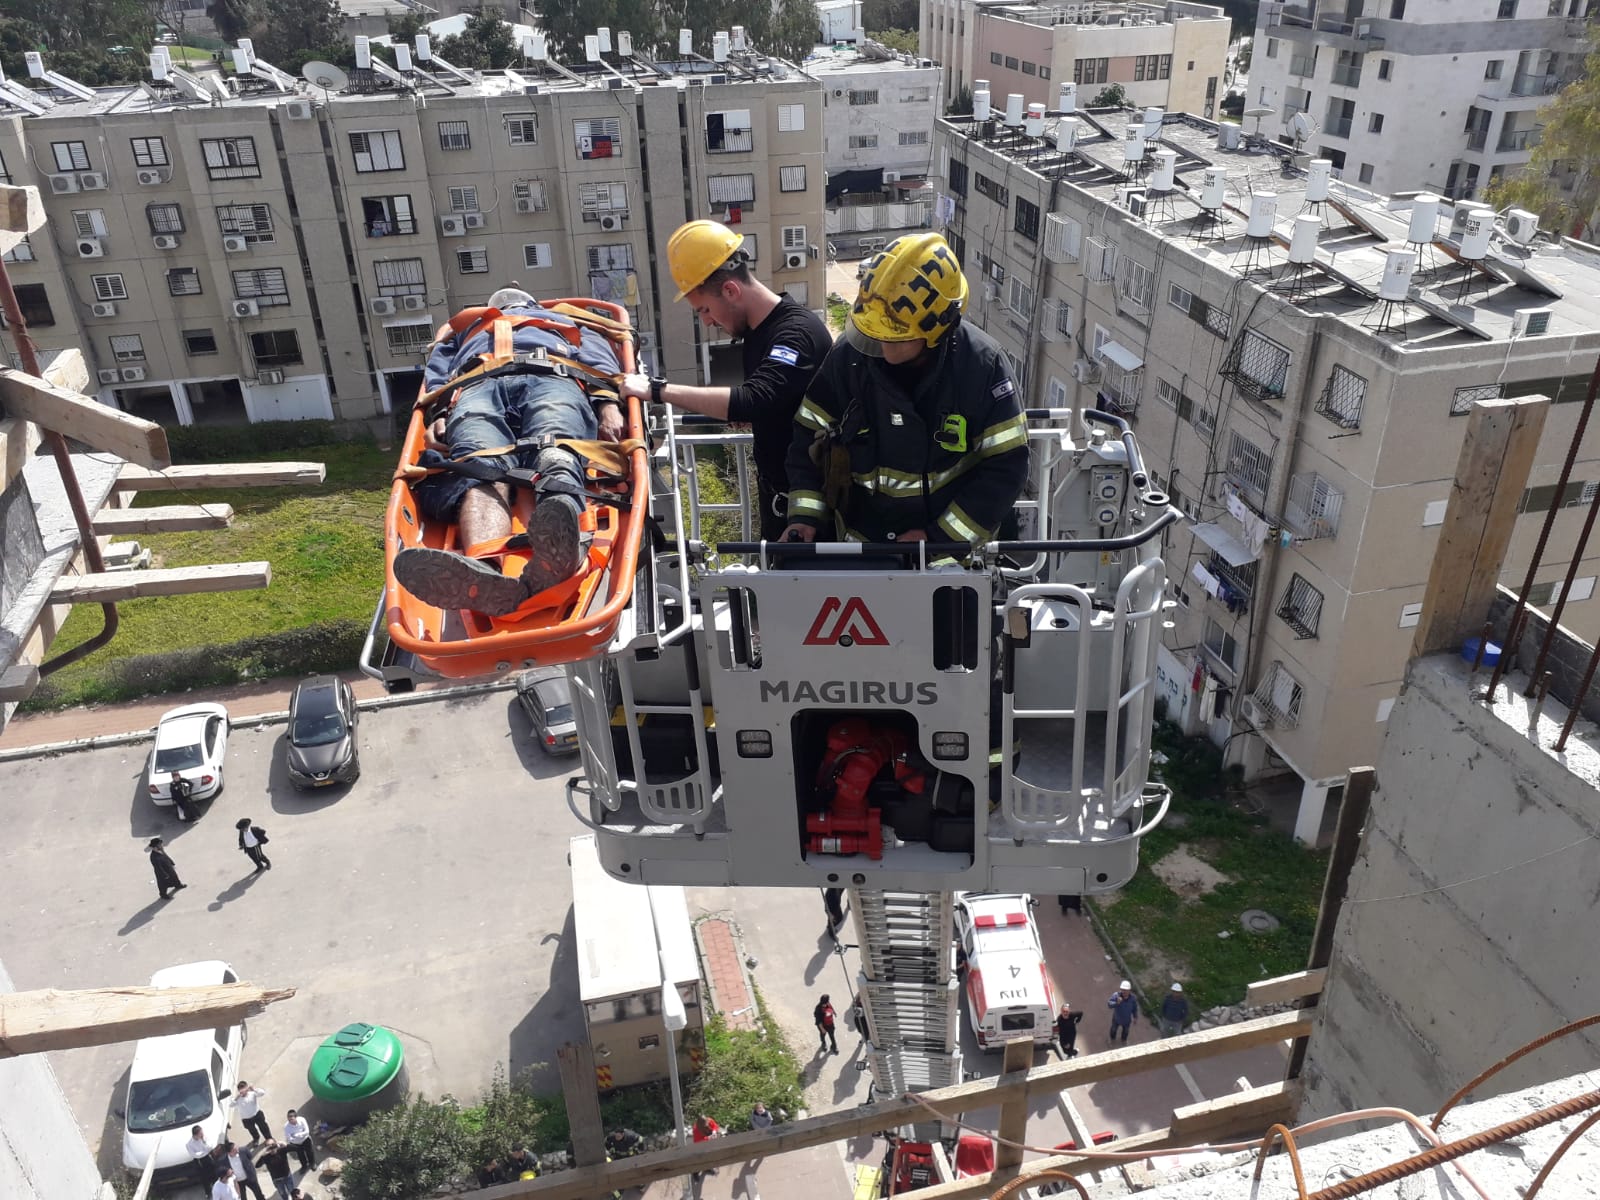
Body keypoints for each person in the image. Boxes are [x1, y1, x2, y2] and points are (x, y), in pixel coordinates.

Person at [782, 232, 1028, 547]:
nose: (881, 346)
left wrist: (940, 540)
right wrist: (805, 517)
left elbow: (1007, 467)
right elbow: (807, 436)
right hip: (860, 548)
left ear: (938, 327)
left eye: (895, 335)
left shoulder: (982, 367)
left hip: (946, 562)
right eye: (875, 330)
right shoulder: (849, 358)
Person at [393, 287, 627, 617]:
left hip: (552, 375)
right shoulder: (464, 331)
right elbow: (437, 375)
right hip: (478, 385)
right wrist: (440, 414)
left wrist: (607, 405)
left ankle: (562, 551)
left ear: (531, 302)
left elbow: (599, 362)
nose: (506, 302)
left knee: (556, 449)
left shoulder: (566, 321)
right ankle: (484, 569)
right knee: (479, 467)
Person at [619, 220, 831, 542]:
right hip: (780, 502)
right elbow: (772, 401)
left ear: (731, 290)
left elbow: (755, 398)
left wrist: (657, 390)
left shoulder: (796, 334)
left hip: (811, 516)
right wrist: (754, 415)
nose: (707, 321)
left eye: (705, 309)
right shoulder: (758, 334)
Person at [691, 1113, 721, 1181]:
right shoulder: (696, 1130)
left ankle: (707, 1168)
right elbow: (698, 1142)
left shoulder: (709, 1120)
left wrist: (714, 1131)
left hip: (709, 1143)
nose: (706, 1126)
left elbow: (715, 1126)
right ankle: (695, 1172)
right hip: (701, 1147)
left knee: (709, 1157)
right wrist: (708, 1138)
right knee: (700, 1160)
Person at [1107, 981, 1137, 1046]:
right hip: (1116, 1018)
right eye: (1123, 990)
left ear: (1129, 990)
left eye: (1126, 990)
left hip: (1126, 1020)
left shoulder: (1133, 999)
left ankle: (1124, 1040)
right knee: (1113, 1030)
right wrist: (1116, 1003)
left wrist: (1135, 1017)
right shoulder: (1116, 995)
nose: (1124, 992)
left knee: (1126, 1032)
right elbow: (1109, 1004)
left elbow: (1134, 1008)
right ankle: (1112, 1040)